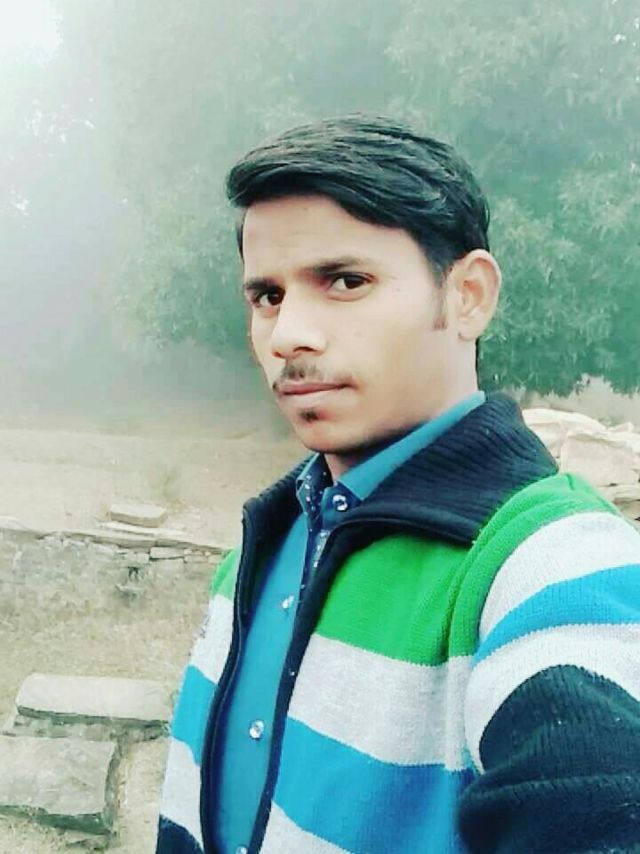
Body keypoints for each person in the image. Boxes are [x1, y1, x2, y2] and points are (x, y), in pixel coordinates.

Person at [156, 115, 640, 854]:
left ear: (468, 295)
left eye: (345, 281)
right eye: (267, 296)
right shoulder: (272, 536)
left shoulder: (551, 567)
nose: (288, 334)